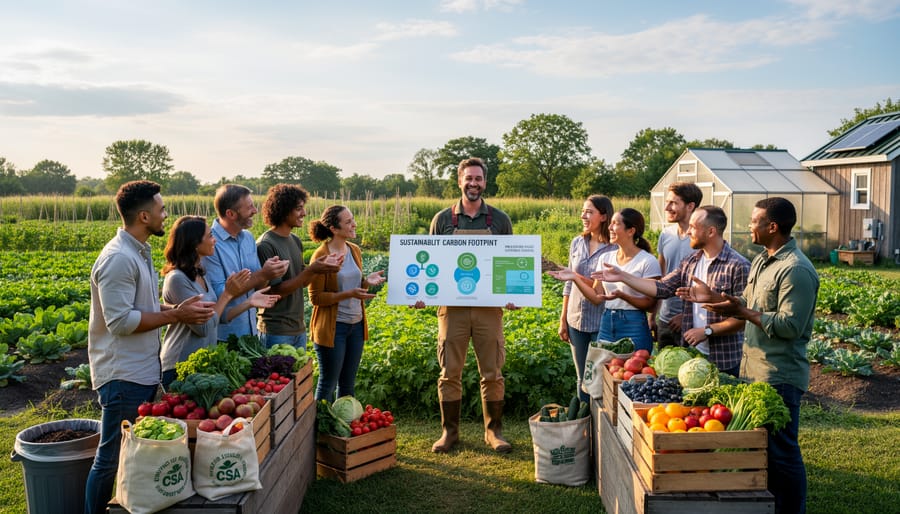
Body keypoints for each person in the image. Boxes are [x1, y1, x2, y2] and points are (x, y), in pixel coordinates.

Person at [678, 197, 817, 513]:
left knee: (783, 452)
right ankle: (768, 504)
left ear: (772, 226)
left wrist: (743, 310)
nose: (748, 226)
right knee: (762, 449)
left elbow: (790, 326)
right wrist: (717, 299)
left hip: (779, 374)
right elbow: (748, 302)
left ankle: (791, 509)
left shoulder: (796, 270)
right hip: (753, 368)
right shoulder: (762, 261)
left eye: (754, 221)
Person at [85, 181, 216, 514]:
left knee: (127, 454)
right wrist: (176, 313)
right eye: (160, 209)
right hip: (122, 373)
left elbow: (142, 307)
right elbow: (120, 322)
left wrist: (175, 312)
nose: (165, 215)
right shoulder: (118, 259)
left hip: (141, 369)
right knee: (110, 457)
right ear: (144, 216)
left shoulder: (138, 252)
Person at [593, 206, 750, 376]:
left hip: (723, 359)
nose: (688, 232)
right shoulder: (691, 262)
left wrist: (707, 330)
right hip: (692, 356)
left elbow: (743, 318)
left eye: (693, 227)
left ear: (711, 231)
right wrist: (622, 276)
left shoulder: (738, 266)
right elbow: (661, 288)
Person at [427, 157, 515, 454]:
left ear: (485, 182)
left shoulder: (500, 220)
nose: (473, 183)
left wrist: (513, 293)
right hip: (452, 308)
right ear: (459, 181)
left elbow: (510, 263)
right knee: (449, 371)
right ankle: (449, 433)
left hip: (489, 308)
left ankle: (494, 432)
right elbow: (433, 266)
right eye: (469, 178)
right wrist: (423, 293)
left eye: (478, 179)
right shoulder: (442, 220)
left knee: (492, 371)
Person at [160, 216, 280, 388]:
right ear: (194, 243)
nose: (214, 240)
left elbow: (220, 315)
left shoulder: (199, 272)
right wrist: (228, 294)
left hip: (200, 364)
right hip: (180, 364)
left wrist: (250, 302)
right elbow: (204, 327)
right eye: (209, 236)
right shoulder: (177, 279)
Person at [308, 205, 386, 401]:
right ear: (334, 229)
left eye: (353, 219)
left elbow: (357, 287)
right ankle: (321, 429)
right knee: (328, 384)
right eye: (348, 221)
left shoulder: (354, 250)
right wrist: (349, 293)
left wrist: (367, 282)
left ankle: (342, 428)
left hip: (356, 326)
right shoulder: (321, 255)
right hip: (334, 328)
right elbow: (316, 297)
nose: (354, 224)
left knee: (348, 384)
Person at [557, 208, 660, 352]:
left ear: (631, 231)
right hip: (606, 322)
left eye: (615, 224)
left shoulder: (648, 261)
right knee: (602, 371)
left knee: (633, 371)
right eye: (610, 223)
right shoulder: (606, 258)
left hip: (634, 324)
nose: (610, 227)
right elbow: (597, 297)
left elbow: (650, 304)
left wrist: (623, 296)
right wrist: (574, 277)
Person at [546, 194, 616, 403]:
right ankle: (584, 427)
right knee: (582, 378)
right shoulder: (577, 242)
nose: (583, 215)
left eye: (589, 212)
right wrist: (563, 318)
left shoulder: (613, 248)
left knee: (599, 377)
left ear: (604, 217)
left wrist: (575, 277)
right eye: (583, 211)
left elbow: (598, 287)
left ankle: (600, 427)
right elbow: (569, 283)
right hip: (576, 318)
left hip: (601, 319)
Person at [256, 184, 343, 349]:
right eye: (298, 209)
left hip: (298, 328)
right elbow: (275, 291)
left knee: (301, 375)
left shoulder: (294, 240)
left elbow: (301, 282)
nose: (304, 213)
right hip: (276, 330)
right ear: (283, 209)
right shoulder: (266, 244)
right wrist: (312, 270)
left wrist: (321, 268)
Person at [202, 184, 290, 341]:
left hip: (251, 332)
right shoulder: (209, 243)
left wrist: (269, 273)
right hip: (225, 337)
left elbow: (259, 286)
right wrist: (263, 273)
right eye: (249, 207)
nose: (255, 211)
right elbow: (220, 294)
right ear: (231, 214)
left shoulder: (248, 238)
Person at [653, 182, 702, 348]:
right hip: (666, 319)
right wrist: (653, 315)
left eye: (673, 203)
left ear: (690, 206)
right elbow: (661, 279)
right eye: (667, 202)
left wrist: (685, 315)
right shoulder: (666, 234)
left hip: (694, 323)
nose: (667, 207)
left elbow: (711, 286)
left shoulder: (702, 239)